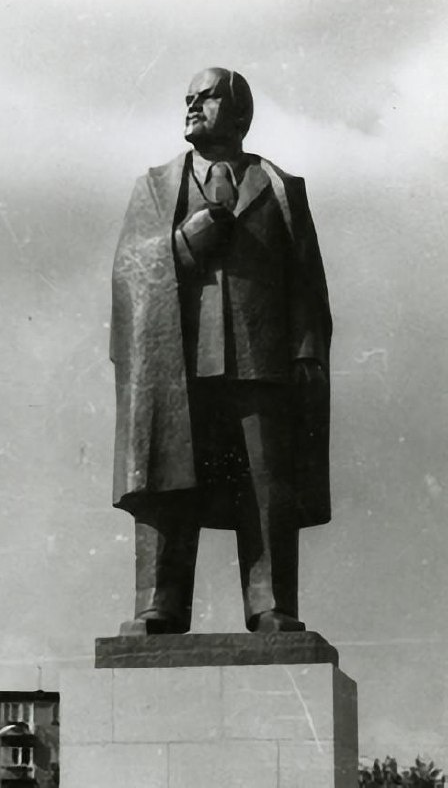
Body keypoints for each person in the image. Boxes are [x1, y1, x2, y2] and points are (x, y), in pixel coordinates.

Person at [110, 67, 332, 635]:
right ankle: (159, 602)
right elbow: (128, 271)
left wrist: (307, 349)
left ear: (240, 114)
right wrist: (183, 245)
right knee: (167, 480)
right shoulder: (154, 186)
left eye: (206, 98)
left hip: (262, 364)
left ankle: (270, 603)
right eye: (188, 98)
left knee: (266, 485)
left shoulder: (280, 187)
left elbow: (306, 279)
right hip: (177, 365)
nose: (192, 106)